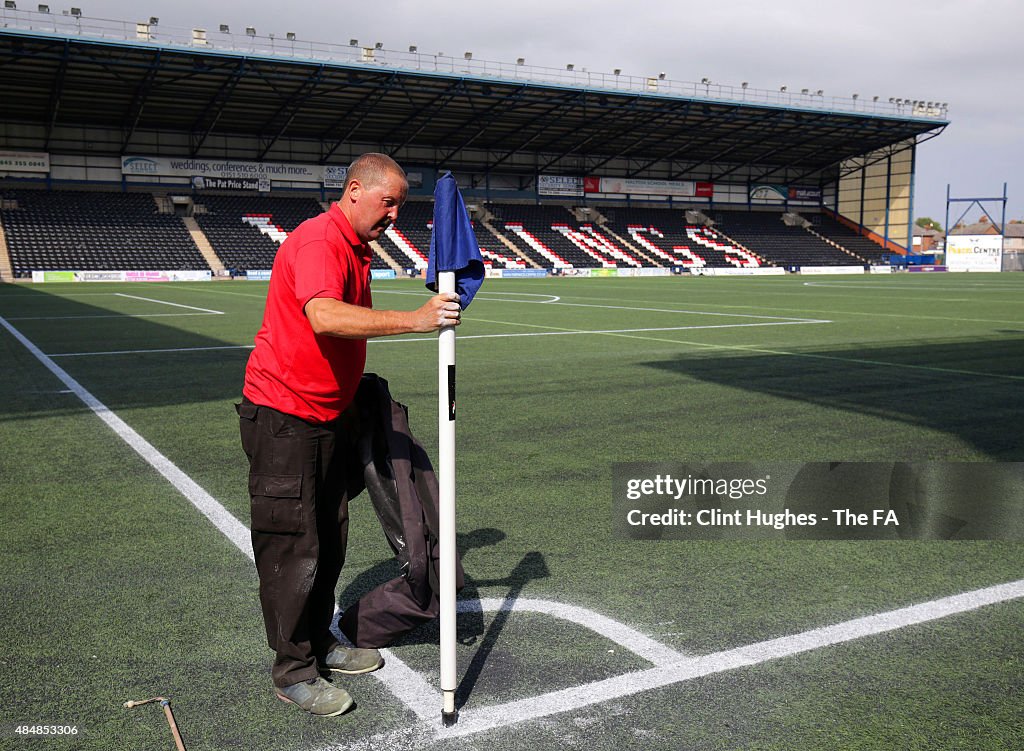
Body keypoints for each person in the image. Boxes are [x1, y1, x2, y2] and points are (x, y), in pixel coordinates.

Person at [237, 153, 461, 717]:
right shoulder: (320, 242)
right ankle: (292, 672)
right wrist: (416, 318)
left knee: (329, 536)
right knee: (293, 544)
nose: (393, 215)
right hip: (285, 418)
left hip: (325, 417)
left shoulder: (356, 248)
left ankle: (319, 644)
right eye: (389, 202)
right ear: (356, 190)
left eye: (400, 207)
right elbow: (325, 317)